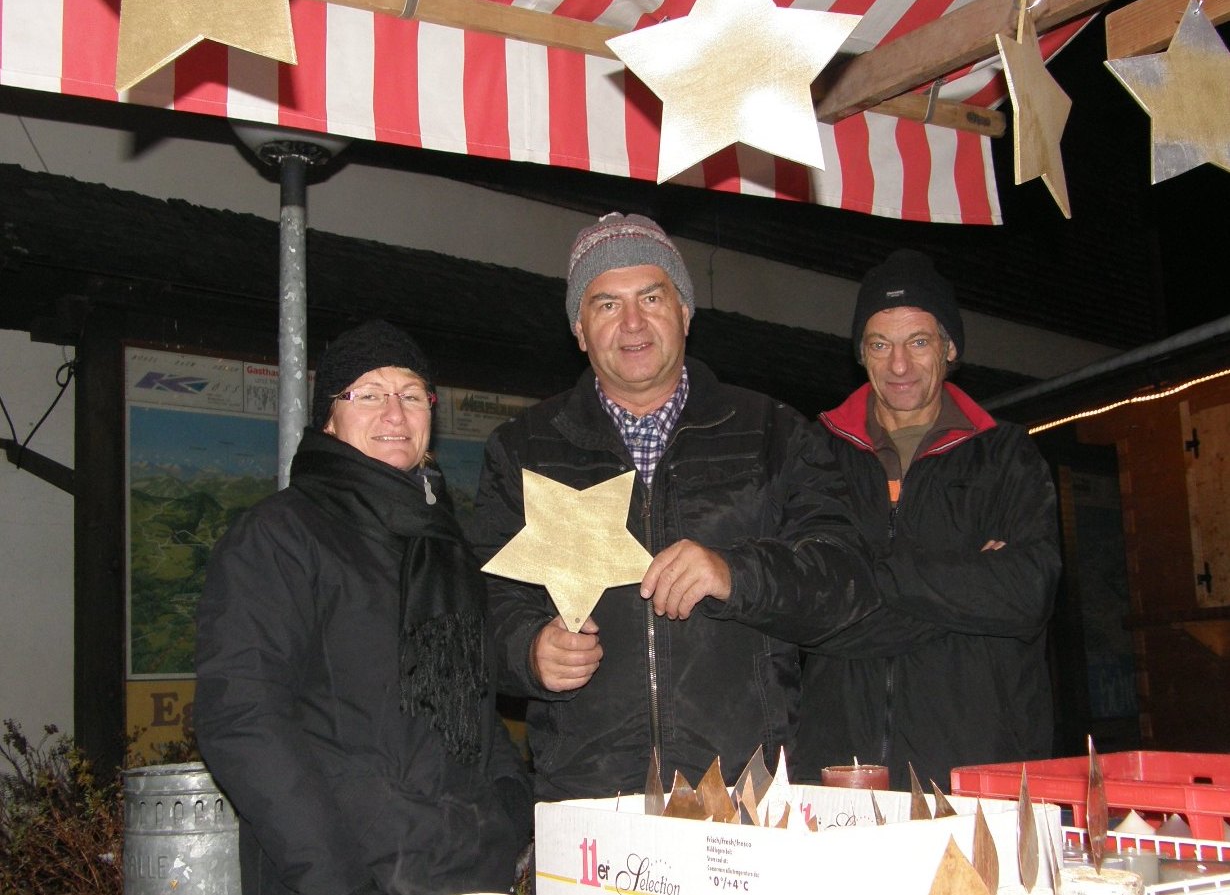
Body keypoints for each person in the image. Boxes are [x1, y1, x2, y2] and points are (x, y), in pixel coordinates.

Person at [468, 212, 874, 801]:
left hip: (742, 792)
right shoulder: (523, 448)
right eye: (606, 304)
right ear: (579, 329)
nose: (632, 322)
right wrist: (527, 651)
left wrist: (736, 573)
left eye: (651, 297)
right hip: (587, 795)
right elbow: (482, 604)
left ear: (685, 312)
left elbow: (847, 582)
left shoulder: (774, 433)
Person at [194, 320, 532, 895]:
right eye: (369, 394)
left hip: (468, 871)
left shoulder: (444, 545)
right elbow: (243, 718)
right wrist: (335, 878)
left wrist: (509, 807)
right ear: (329, 417)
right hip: (351, 874)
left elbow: (472, 702)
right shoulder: (280, 536)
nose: (395, 413)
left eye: (412, 395)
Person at [793, 248, 1061, 792]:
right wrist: (968, 578)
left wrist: (866, 576)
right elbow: (802, 604)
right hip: (839, 768)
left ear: (949, 347)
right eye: (880, 344)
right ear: (861, 354)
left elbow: (1028, 592)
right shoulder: (814, 453)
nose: (899, 366)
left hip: (978, 766)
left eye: (918, 342)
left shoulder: (1005, 455)